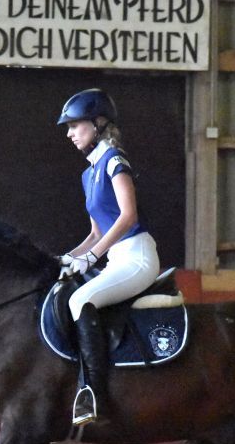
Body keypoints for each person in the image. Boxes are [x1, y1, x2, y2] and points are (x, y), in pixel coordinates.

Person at [57, 88, 160, 426]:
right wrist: (65, 259)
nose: (70, 134)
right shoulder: (87, 174)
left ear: (98, 123)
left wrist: (91, 258)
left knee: (80, 300)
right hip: (115, 258)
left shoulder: (115, 161)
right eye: (69, 128)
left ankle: (93, 393)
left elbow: (128, 217)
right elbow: (95, 234)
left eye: (75, 126)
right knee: (66, 292)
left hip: (137, 257)